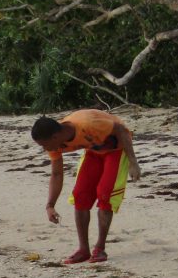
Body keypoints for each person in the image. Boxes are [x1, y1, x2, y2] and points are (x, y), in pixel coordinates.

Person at [31, 109, 142, 264]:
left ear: (55, 137)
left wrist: (133, 162)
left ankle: (100, 248)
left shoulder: (88, 125)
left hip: (117, 149)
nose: (45, 149)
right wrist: (50, 205)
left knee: (105, 194)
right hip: (93, 151)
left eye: (44, 145)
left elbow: (121, 129)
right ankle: (83, 250)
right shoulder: (54, 144)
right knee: (80, 195)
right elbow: (56, 174)